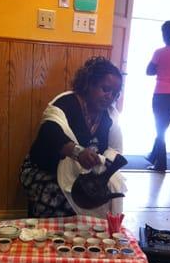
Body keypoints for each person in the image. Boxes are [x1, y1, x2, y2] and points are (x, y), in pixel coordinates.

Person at [20, 56, 126, 218]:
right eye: (105, 89)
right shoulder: (65, 103)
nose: (109, 97)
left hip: (82, 176)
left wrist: (103, 163)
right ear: (89, 83)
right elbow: (50, 132)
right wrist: (77, 152)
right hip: (45, 169)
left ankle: (92, 239)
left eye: (115, 94)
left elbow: (112, 150)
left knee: (109, 189)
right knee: (57, 197)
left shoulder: (109, 117)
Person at [146, 20, 170, 172]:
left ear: (164, 33)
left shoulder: (159, 52)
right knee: (162, 129)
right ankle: (153, 155)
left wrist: (159, 68)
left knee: (160, 129)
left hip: (161, 93)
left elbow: (149, 71)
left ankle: (160, 164)